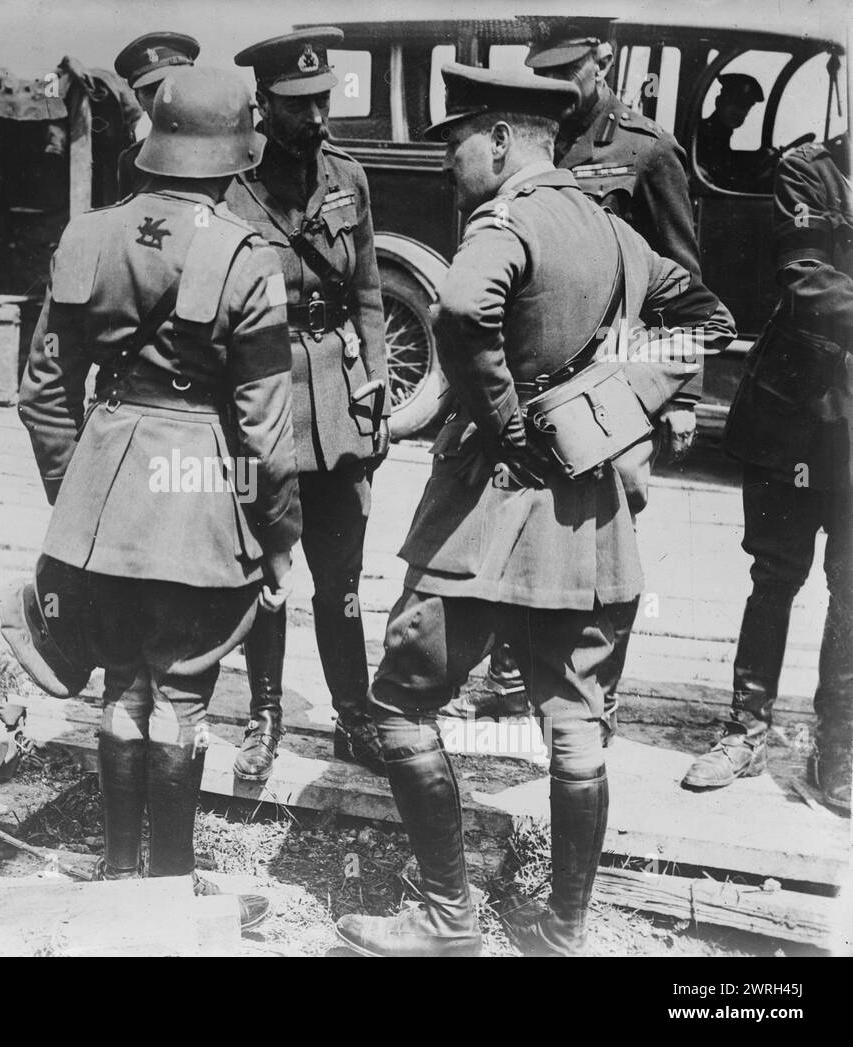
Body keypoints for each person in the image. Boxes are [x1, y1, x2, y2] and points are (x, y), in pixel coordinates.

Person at [334, 63, 735, 957]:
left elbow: (458, 308)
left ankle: (447, 920)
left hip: (486, 508)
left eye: (457, 142)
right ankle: (562, 932)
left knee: (400, 703)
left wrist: (514, 420)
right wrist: (607, 407)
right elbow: (707, 317)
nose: (447, 163)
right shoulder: (610, 229)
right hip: (586, 520)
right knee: (577, 726)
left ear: (504, 142)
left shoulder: (505, 220)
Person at [5, 66, 302, 925]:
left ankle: (116, 875)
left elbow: (43, 396)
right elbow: (263, 433)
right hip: (199, 505)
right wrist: (277, 538)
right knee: (180, 698)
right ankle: (169, 895)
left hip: (100, 503)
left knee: (121, 686)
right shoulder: (247, 257)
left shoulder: (86, 236)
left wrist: (81, 499)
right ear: (233, 157)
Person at [463, 21, 702, 734]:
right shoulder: (538, 141)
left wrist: (677, 395)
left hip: (609, 393)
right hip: (531, 385)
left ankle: (596, 689)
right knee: (513, 517)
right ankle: (510, 676)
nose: (556, 85)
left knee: (606, 535)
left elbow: (682, 278)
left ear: (602, 60)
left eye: (568, 69)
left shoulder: (646, 150)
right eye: (544, 69)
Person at [225, 27, 390, 780]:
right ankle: (264, 713)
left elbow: (368, 293)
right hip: (261, 399)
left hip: (337, 402)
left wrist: (378, 379)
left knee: (342, 576)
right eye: (299, 107)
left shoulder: (349, 177)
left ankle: (353, 716)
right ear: (263, 106)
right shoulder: (231, 184)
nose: (318, 119)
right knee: (266, 565)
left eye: (322, 101)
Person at [682, 137, 852, 814]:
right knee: (775, 577)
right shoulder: (809, 171)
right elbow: (807, 276)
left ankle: (836, 745)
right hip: (797, 415)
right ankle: (746, 730)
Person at [113, 32, 199, 197]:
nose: (166, 99)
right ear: (139, 101)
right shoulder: (133, 161)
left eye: (175, 85)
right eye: (153, 91)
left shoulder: (236, 144)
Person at [696, 74, 768, 193]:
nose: (739, 111)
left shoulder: (722, 136)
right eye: (734, 102)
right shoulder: (702, 136)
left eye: (746, 106)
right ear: (718, 101)